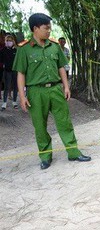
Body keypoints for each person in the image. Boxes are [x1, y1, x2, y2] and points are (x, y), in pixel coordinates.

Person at [12, 13, 91, 169]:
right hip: (36, 92)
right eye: (46, 28)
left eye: (49, 28)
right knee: (40, 126)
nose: (49, 31)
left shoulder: (54, 46)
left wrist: (66, 86)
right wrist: (22, 96)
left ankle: (73, 152)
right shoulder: (24, 49)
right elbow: (20, 74)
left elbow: (61, 66)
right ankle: (45, 156)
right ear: (35, 29)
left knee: (64, 122)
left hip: (55, 89)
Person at [0, 35, 18, 110]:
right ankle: (4, 103)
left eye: (10, 40)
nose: (9, 42)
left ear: (13, 41)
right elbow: (1, 60)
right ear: (5, 41)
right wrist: (4, 65)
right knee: (6, 87)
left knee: (15, 87)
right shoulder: (3, 50)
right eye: (7, 41)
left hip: (15, 71)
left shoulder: (16, 50)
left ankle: (14, 101)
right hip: (7, 71)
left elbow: (19, 60)